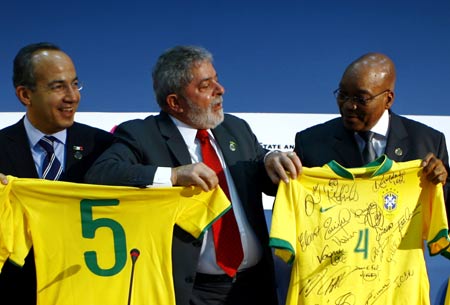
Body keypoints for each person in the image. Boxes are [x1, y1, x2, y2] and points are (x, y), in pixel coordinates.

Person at [85, 45, 301, 305]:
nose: (220, 90)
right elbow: (101, 174)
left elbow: (259, 168)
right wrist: (174, 175)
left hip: (255, 285)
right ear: (174, 102)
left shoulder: (236, 128)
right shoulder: (141, 135)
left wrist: (271, 159)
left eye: (217, 80)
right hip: (193, 292)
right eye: (205, 85)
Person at [0, 42, 114, 304]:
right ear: (25, 95)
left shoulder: (105, 147)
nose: (72, 96)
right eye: (58, 86)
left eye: (75, 84)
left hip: (89, 293)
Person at [294, 52, 449, 214]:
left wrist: (440, 184)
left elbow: (443, 214)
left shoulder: (428, 142)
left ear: (388, 100)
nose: (348, 105)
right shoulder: (310, 143)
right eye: (343, 95)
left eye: (361, 99)